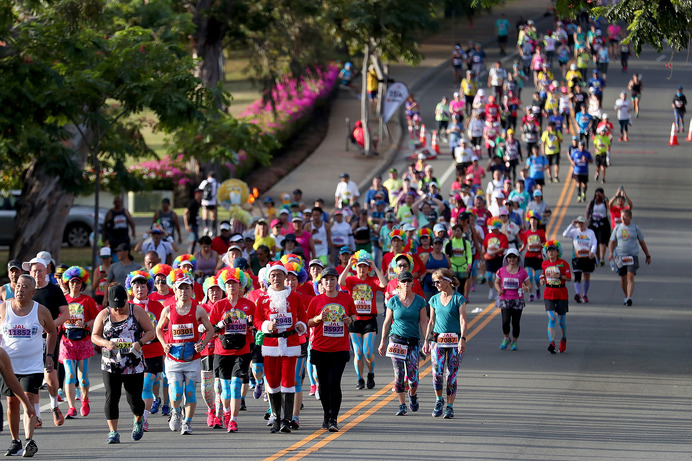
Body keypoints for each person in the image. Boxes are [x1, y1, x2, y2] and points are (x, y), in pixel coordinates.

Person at [91, 284, 155, 444]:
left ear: (126, 300)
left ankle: (138, 420)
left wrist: (140, 342)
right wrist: (105, 342)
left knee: (134, 399)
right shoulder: (104, 314)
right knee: (112, 396)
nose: (118, 309)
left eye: (121, 306)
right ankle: (113, 432)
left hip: (133, 363)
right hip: (110, 363)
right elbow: (94, 336)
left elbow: (151, 331)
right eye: (114, 306)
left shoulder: (136, 311)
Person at [0, 274, 56, 456]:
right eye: (17, 286)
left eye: (24, 287)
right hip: (8, 366)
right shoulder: (4, 308)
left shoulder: (41, 311)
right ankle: (15, 441)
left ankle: (29, 440)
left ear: (32, 292)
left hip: (32, 366)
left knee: (29, 400)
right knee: (12, 404)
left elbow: (52, 333)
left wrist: (49, 355)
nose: (19, 290)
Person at [156, 270, 214, 435]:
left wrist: (202, 343)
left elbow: (210, 330)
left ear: (191, 290)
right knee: (175, 392)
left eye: (187, 288)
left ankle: (187, 422)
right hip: (173, 358)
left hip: (192, 358)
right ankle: (175, 412)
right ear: (175, 289)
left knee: (190, 392)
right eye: (180, 288)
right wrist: (164, 344)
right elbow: (158, 329)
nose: (183, 291)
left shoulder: (198, 310)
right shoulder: (167, 310)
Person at [253, 263, 307, 433]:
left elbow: (303, 317)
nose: (276, 278)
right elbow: (257, 320)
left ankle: (287, 419)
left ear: (286, 277)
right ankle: (276, 417)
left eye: (279, 275)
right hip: (270, 345)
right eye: (273, 275)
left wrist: (300, 325)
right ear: (269, 278)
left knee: (288, 382)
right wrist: (267, 325)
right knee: (273, 383)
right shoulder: (262, 299)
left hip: (290, 344)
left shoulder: (295, 297)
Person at [306, 268, 356, 431]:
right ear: (321, 283)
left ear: (337, 281)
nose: (329, 282)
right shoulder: (316, 300)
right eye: (325, 280)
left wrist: (350, 319)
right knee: (323, 385)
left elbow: (354, 316)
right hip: (320, 348)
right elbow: (308, 322)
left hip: (340, 348)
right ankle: (326, 415)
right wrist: (318, 318)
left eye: (332, 279)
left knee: (334, 382)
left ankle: (334, 418)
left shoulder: (346, 298)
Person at [208, 268, 254, 433]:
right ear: (223, 287)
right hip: (222, 352)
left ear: (241, 285)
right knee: (225, 388)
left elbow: (255, 330)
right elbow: (211, 329)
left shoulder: (249, 305)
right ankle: (226, 413)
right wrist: (224, 322)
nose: (231, 286)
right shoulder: (219, 305)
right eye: (228, 284)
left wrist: (251, 324)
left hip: (242, 351)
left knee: (236, 386)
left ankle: (233, 420)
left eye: (234, 283)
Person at [23, 254, 66, 428]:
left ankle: (55, 406)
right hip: (30, 341)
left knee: (50, 378)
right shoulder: (26, 292)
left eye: (39, 270)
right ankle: (37, 416)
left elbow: (65, 314)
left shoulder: (54, 290)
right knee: (33, 379)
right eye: (34, 271)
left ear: (46, 270)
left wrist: (49, 327)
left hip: (49, 339)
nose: (37, 274)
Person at [379, 271, 428, 416]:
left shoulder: (420, 301)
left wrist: (426, 341)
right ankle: (401, 404)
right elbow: (387, 322)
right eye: (403, 281)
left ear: (413, 283)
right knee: (398, 374)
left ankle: (412, 395)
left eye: (408, 281)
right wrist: (382, 342)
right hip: (396, 341)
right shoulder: (393, 301)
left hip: (412, 342)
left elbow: (424, 322)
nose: (406, 284)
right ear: (398, 284)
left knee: (413, 378)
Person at [421, 268, 467, 419]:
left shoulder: (458, 299)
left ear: (447, 281)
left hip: (455, 341)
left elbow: (462, 320)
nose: (436, 284)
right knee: (437, 373)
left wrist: (463, 339)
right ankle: (438, 400)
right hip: (437, 341)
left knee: (451, 375)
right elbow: (431, 321)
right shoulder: (434, 299)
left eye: (438, 281)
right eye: (434, 282)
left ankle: (450, 407)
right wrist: (426, 340)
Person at [338, 252, 387, 390]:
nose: (362, 269)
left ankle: (370, 373)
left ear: (368, 268)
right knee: (358, 352)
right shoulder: (351, 280)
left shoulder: (372, 281)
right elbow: (341, 282)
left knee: (367, 352)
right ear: (356, 267)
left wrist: (376, 268)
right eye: (359, 267)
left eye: (365, 267)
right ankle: (360, 379)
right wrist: (348, 265)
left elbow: (384, 284)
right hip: (354, 320)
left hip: (369, 320)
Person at [125, 270, 165, 431]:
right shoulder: (127, 308)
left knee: (146, 386)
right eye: (136, 286)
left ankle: (143, 419)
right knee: (135, 389)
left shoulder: (157, 306)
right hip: (134, 353)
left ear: (149, 288)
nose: (140, 289)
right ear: (131, 289)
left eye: (143, 286)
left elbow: (164, 329)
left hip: (154, 351)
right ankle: (139, 416)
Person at [57, 267, 98, 419]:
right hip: (67, 342)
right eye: (72, 282)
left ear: (82, 284)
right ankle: (71, 407)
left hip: (84, 342)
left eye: (78, 282)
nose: (75, 285)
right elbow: (58, 318)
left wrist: (86, 324)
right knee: (70, 375)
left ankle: (85, 400)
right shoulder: (64, 300)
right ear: (68, 283)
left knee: (83, 379)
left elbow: (96, 318)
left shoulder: (87, 300)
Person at [608, 209, 651, 306]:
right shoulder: (617, 228)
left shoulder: (635, 228)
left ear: (630, 217)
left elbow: (642, 242)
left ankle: (629, 297)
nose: (622, 218)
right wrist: (611, 253)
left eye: (625, 216)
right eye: (621, 216)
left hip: (632, 256)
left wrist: (647, 255)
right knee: (623, 278)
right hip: (620, 256)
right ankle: (626, 296)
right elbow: (612, 241)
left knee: (630, 276)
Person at [494, 249, 530, 350]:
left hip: (517, 300)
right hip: (505, 299)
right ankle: (506, 337)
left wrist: (525, 289)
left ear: (518, 258)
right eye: (509, 257)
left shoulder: (522, 272)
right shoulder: (501, 270)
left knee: (515, 322)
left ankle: (514, 341)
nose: (512, 259)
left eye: (514, 257)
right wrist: (498, 290)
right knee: (505, 321)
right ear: (506, 259)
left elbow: (529, 285)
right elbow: (496, 282)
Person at [540, 241, 571, 354]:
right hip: (549, 293)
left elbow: (569, 278)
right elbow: (543, 275)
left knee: (562, 321)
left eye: (553, 250)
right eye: (549, 251)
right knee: (552, 318)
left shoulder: (563, 263)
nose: (551, 252)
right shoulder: (545, 264)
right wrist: (542, 280)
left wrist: (559, 276)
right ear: (546, 253)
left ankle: (563, 339)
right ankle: (552, 343)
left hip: (561, 293)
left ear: (558, 252)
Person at [563, 216, 597, 303]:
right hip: (577, 257)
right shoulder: (574, 232)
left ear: (585, 223)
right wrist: (572, 225)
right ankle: (577, 294)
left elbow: (594, 243)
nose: (581, 224)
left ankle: (585, 294)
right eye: (579, 223)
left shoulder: (590, 232)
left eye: (582, 223)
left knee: (586, 276)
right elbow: (565, 234)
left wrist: (592, 252)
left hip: (587, 257)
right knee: (577, 275)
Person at [483, 218, 509, 300]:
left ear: (497, 228)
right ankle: (491, 289)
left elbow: (503, 248)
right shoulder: (488, 235)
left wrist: (494, 252)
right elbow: (484, 245)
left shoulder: (503, 236)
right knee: (489, 277)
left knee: (499, 277)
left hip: (498, 259)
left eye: (493, 229)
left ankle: (499, 290)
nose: (492, 230)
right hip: (489, 259)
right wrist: (484, 252)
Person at [586, 188, 611, 266]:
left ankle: (602, 258)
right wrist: (588, 221)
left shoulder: (604, 202)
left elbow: (610, 207)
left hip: (603, 223)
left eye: (599, 195)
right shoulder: (592, 202)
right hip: (593, 223)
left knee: (602, 241)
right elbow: (587, 211)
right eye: (596, 195)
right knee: (595, 242)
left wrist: (604, 197)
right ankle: (598, 258)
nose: (597, 196)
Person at [198, 171, 220, 237]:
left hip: (205, 202)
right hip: (213, 202)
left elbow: (200, 190)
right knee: (213, 217)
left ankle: (206, 228)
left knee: (205, 215)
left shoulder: (204, 182)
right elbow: (220, 191)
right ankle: (212, 230)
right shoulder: (216, 183)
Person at [184, 189, 203, 253]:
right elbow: (185, 213)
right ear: (196, 194)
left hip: (195, 224)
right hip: (192, 224)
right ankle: (189, 255)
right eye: (200, 194)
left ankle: (191, 254)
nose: (201, 195)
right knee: (192, 241)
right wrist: (187, 225)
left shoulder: (198, 203)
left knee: (195, 241)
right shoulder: (193, 202)